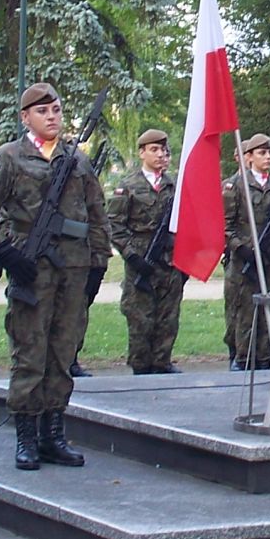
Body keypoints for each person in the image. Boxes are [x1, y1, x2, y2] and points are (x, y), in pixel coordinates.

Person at [0, 82, 111, 470]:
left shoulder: (77, 160)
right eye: (43, 111)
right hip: (32, 269)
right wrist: (5, 251)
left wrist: (98, 263)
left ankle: (53, 433)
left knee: (63, 352)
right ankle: (26, 436)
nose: (52, 116)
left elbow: (97, 215)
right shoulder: (10, 157)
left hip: (73, 271)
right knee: (29, 353)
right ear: (25, 117)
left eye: (57, 110)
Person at [108, 128, 183, 375]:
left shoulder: (175, 185)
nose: (161, 155)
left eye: (164, 150)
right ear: (142, 153)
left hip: (169, 261)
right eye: (154, 149)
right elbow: (115, 225)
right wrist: (131, 255)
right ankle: (141, 368)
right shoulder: (128, 186)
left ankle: (163, 363)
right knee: (141, 319)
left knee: (168, 318)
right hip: (141, 259)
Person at [223, 134, 270, 371]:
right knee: (244, 313)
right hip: (245, 262)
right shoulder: (234, 186)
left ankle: (265, 359)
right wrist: (242, 249)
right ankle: (242, 360)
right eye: (262, 153)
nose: (268, 157)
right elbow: (225, 226)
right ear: (249, 157)